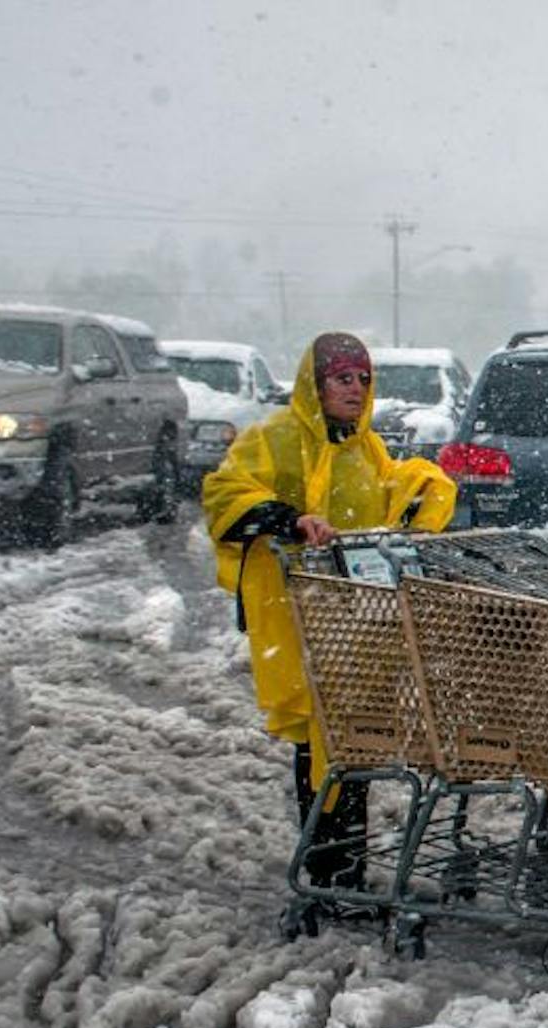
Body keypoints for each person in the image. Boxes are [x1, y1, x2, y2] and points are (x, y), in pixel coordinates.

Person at [202, 332, 456, 885]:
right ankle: (329, 870)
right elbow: (225, 492)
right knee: (322, 738)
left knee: (349, 737)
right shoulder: (275, 437)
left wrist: (420, 488)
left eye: (364, 380)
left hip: (353, 624)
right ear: (314, 385)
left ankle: (343, 869)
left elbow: (387, 491)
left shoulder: (364, 447)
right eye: (343, 379)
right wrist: (286, 517)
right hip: (294, 615)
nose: (357, 391)